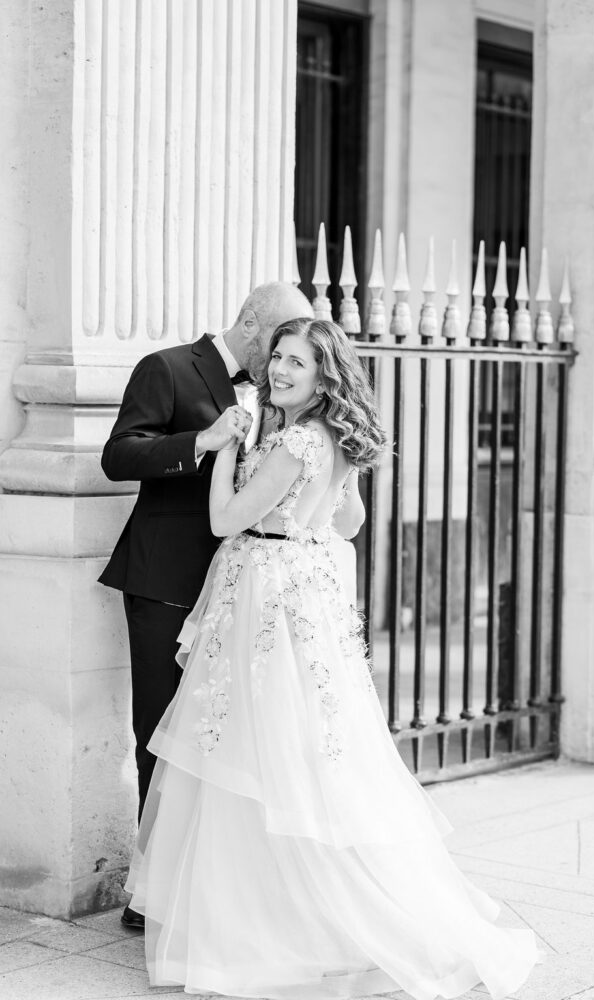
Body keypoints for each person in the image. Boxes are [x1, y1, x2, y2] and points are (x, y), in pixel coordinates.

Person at [125, 317, 540, 999]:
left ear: (324, 376)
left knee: (255, 745)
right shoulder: (333, 437)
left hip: (265, 598)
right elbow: (349, 522)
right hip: (300, 595)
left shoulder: (294, 440)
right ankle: (274, 904)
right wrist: (307, 516)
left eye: (298, 362)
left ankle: (270, 917)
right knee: (292, 746)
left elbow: (224, 520)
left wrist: (226, 450)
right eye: (278, 357)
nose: (280, 370)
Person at [99, 281, 313, 930]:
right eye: (278, 341)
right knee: (161, 736)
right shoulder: (165, 368)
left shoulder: (276, 394)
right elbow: (118, 456)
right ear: (251, 324)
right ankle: (150, 896)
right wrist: (201, 441)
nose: (283, 357)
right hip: (166, 582)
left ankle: (206, 887)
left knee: (218, 743)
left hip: (236, 595)